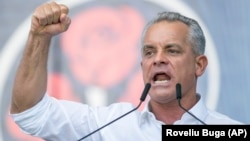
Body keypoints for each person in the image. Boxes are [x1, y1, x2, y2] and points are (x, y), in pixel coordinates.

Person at [10, 1, 242, 141]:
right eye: (149, 52)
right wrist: (38, 36)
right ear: (142, 67)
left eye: (172, 50)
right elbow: (30, 113)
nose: (158, 60)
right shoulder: (110, 126)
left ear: (199, 65)